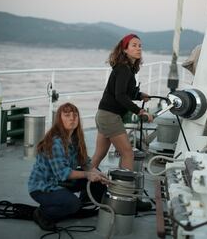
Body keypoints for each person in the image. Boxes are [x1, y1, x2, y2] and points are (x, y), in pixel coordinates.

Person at [28, 102, 108, 231]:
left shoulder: (75, 139)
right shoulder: (55, 142)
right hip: (44, 187)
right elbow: (63, 173)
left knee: (98, 182)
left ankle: (81, 205)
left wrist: (98, 174)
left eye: (75, 115)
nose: (72, 118)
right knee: (72, 204)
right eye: (67, 115)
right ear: (59, 119)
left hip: (61, 181)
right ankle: (42, 213)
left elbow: (85, 163)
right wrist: (88, 175)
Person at [92, 33, 153, 171]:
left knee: (99, 154)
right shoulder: (123, 69)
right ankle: (125, 189)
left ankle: (87, 179)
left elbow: (124, 92)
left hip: (103, 115)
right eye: (134, 45)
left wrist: (139, 95)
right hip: (110, 116)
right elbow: (120, 96)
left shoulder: (126, 69)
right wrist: (139, 111)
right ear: (125, 50)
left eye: (140, 46)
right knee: (127, 153)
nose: (138, 48)